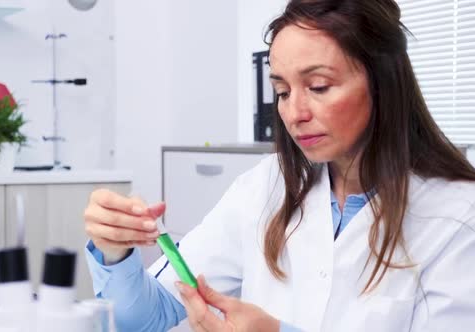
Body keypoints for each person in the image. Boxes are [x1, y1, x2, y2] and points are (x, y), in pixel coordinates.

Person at [83, 0, 475, 331]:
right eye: (282, 91)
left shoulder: (458, 215)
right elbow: (150, 317)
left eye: (318, 87)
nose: (293, 113)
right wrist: (113, 253)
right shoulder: (265, 186)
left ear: (383, 82)